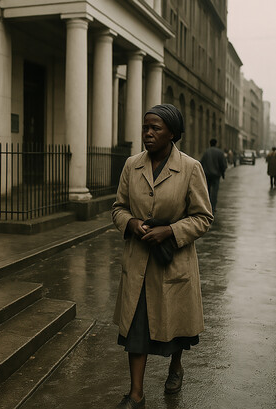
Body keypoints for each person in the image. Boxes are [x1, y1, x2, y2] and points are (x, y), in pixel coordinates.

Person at [112, 104, 213, 409]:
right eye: (146, 127)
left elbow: (203, 218)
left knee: (175, 326)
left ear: (172, 133)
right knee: (136, 328)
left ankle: (176, 367)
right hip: (138, 263)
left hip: (172, 264)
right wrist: (130, 222)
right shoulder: (132, 165)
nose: (148, 133)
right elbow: (119, 207)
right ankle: (136, 394)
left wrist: (169, 231)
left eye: (156, 128)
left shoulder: (191, 168)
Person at [200, 139, 227, 212]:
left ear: (210, 143)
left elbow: (201, 163)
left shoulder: (206, 152)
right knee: (214, 192)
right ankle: (213, 207)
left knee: (207, 191)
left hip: (207, 175)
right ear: (216, 144)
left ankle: (206, 207)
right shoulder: (220, 152)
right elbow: (223, 164)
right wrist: (223, 173)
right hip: (216, 175)